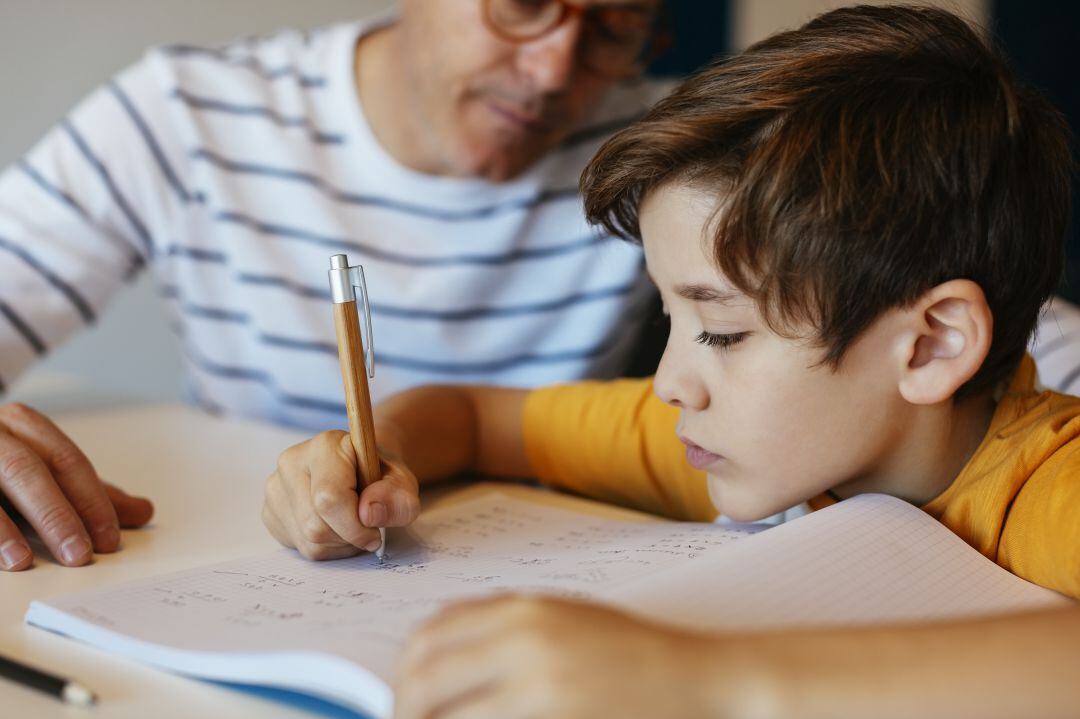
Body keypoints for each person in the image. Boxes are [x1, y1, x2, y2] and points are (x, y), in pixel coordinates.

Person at [263, 5, 1080, 716]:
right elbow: (473, 418)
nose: (669, 382)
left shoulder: (1049, 483)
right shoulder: (745, 441)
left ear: (932, 343)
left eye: (723, 333)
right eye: (670, 317)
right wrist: (369, 455)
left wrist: (709, 684)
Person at [0, 0, 673, 570]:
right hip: (226, 564)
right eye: (524, 3)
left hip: (537, 573)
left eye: (615, 25)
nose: (554, 70)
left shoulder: (670, 153)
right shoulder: (185, 114)